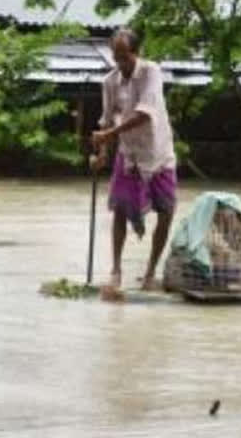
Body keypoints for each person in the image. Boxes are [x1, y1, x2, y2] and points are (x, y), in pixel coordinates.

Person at [91, 28, 177, 291]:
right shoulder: (110, 82)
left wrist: (108, 135)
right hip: (129, 154)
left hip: (158, 151)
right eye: (116, 57)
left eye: (124, 57)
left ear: (135, 53)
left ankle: (151, 272)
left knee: (167, 211)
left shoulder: (151, 72)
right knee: (119, 209)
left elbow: (145, 114)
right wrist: (101, 153)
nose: (120, 63)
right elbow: (105, 119)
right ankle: (116, 271)